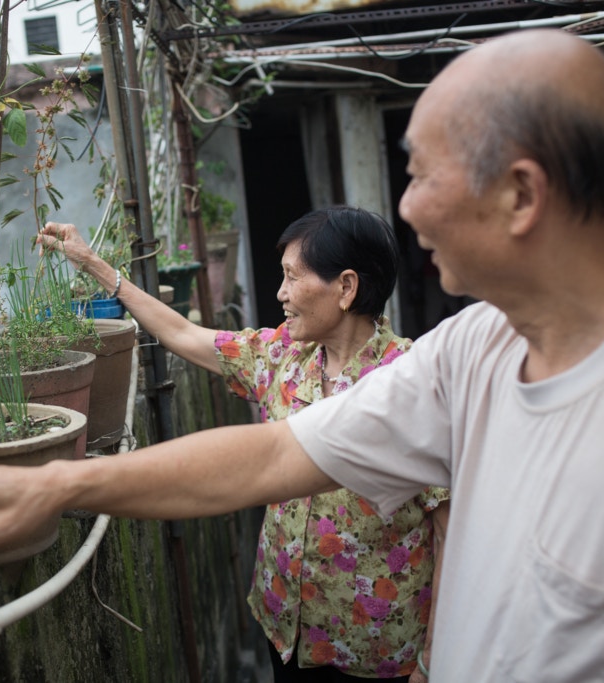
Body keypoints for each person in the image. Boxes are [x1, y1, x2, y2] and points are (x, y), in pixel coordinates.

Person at [0, 29, 604, 681]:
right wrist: (56, 481)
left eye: (421, 174)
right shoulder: (469, 352)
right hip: (293, 624)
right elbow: (272, 451)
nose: (406, 211)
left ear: (521, 193)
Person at [38, 207, 449, 682]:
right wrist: (95, 265)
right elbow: (182, 333)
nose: (281, 294)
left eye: (292, 278)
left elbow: (449, 530)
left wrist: (430, 660)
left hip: (376, 653)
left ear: (346, 287)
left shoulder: (412, 381)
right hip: (286, 629)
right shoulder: (281, 356)